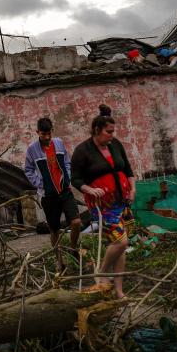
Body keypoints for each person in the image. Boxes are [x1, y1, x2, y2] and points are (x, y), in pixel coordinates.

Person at [71, 104, 136, 298]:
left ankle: (118, 290)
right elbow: (75, 179)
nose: (112, 135)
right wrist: (90, 189)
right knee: (121, 242)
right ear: (97, 130)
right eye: (109, 132)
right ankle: (101, 274)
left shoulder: (115, 145)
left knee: (120, 247)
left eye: (113, 131)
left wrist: (133, 188)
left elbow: (128, 170)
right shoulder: (83, 150)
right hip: (102, 206)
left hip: (122, 202)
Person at [24, 117, 81, 269]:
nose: (47, 137)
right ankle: (60, 261)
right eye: (43, 134)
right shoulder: (32, 149)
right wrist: (40, 183)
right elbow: (28, 170)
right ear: (37, 132)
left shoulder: (59, 143)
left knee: (76, 222)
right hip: (48, 196)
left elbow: (67, 161)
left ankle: (73, 248)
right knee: (54, 229)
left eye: (49, 133)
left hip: (64, 191)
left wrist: (67, 176)